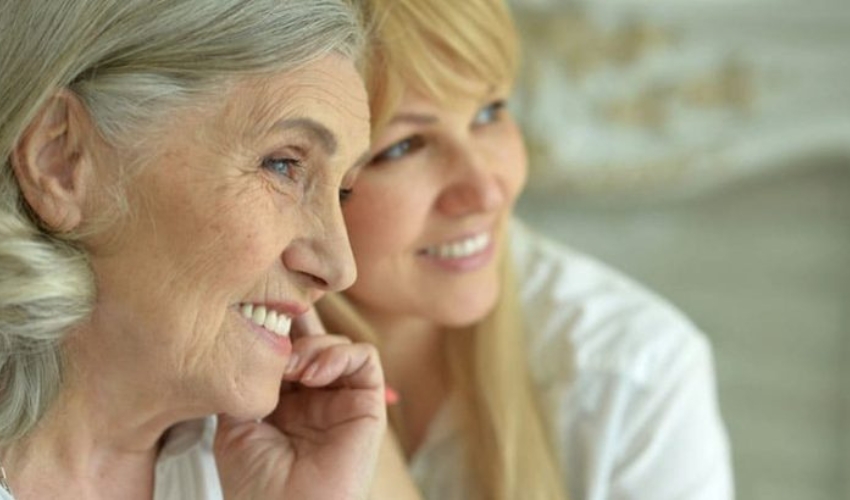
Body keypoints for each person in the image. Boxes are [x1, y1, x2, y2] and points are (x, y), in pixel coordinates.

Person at [316, 0, 735, 498]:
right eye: (405, 146)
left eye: (489, 113)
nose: (486, 192)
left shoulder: (633, 371)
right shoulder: (234, 374)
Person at [0, 1, 387, 498]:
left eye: (343, 192)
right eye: (283, 165)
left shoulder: (270, 463)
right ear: (60, 160)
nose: (339, 267)